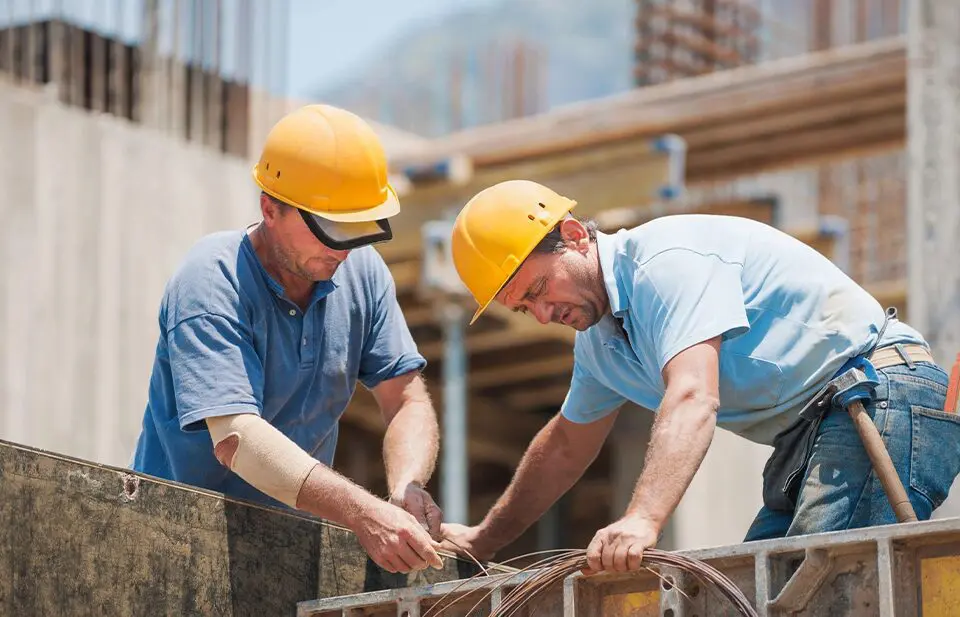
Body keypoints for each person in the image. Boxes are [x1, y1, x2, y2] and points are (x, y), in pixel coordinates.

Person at [439, 179, 960, 574]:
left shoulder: (665, 264)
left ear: (574, 237)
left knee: (820, 588)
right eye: (526, 309)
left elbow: (692, 396)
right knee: (753, 592)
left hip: (880, 394)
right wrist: (484, 540)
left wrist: (643, 518)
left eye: (539, 290)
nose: (545, 313)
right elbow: (564, 449)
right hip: (819, 431)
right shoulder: (601, 344)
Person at [131, 104, 445, 575]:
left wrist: (407, 486)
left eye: (355, 229)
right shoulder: (211, 280)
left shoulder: (363, 274)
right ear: (269, 209)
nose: (342, 248)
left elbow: (405, 400)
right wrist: (362, 512)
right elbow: (236, 438)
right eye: (329, 229)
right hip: (174, 544)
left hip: (288, 549)